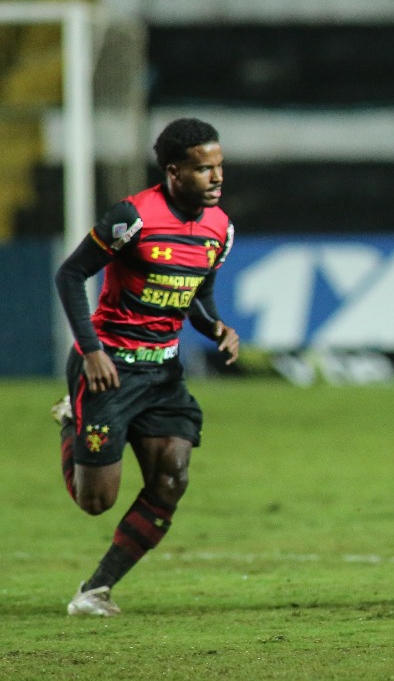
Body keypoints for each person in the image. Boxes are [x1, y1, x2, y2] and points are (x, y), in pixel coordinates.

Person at [52, 118, 239, 617]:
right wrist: (90, 351)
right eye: (205, 169)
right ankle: (73, 418)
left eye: (219, 167)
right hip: (109, 369)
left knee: (172, 476)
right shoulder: (132, 217)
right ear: (175, 172)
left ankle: (96, 590)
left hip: (164, 373)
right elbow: (70, 274)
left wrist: (217, 327)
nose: (217, 178)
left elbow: (197, 294)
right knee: (96, 502)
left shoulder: (220, 228)